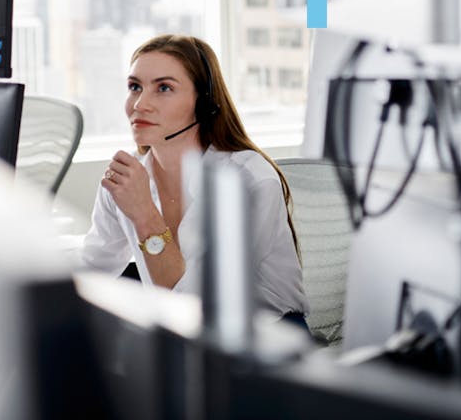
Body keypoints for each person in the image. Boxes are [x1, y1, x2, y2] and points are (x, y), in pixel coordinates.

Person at [82, 34, 308, 321]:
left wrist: (144, 214)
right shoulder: (129, 178)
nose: (139, 104)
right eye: (135, 87)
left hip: (268, 340)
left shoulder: (246, 182)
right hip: (180, 334)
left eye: (163, 88)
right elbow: (92, 268)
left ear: (204, 104)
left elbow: (197, 309)